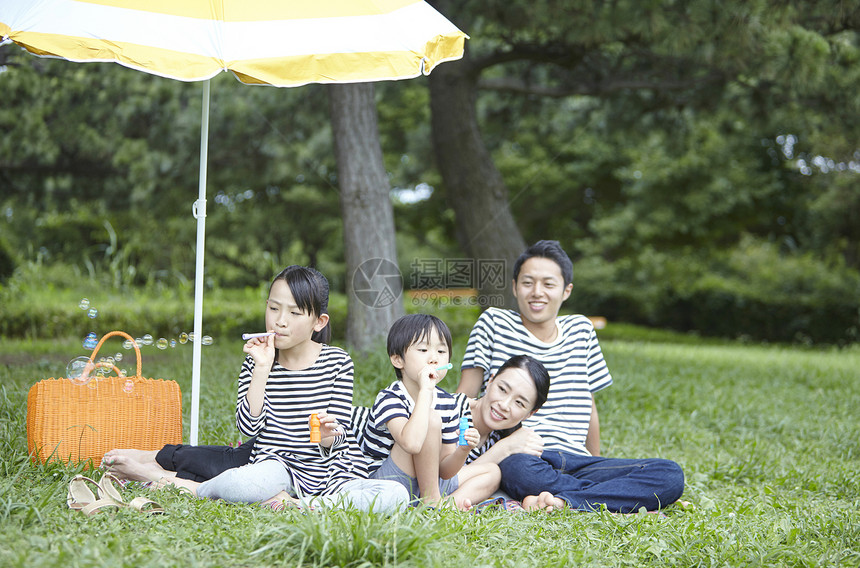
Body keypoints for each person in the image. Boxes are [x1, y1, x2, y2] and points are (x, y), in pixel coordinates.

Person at [104, 266, 407, 513]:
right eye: (274, 308)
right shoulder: (256, 361)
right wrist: (262, 368)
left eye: (294, 313)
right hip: (278, 466)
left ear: (319, 321)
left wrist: (330, 437)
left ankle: (300, 506)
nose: (280, 321)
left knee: (396, 494)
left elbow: (340, 434)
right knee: (242, 485)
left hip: (332, 472)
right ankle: (167, 478)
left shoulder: (338, 362)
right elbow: (248, 427)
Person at [456, 240, 685, 512]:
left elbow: (589, 406)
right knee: (515, 468)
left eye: (548, 284)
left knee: (669, 473)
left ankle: (564, 501)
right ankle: (613, 498)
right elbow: (465, 396)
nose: (537, 292)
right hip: (526, 456)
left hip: (578, 461)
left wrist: (595, 461)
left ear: (566, 291)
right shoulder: (493, 322)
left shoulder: (581, 330)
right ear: (515, 286)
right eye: (528, 282)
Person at [361, 314, 499, 510]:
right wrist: (426, 391)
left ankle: (446, 505)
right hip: (388, 483)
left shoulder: (448, 402)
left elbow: (444, 470)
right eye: (423, 350)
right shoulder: (390, 398)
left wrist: (463, 450)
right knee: (430, 419)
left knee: (492, 472)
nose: (434, 358)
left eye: (441, 351)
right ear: (398, 359)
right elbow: (411, 443)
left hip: (429, 480)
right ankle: (432, 503)